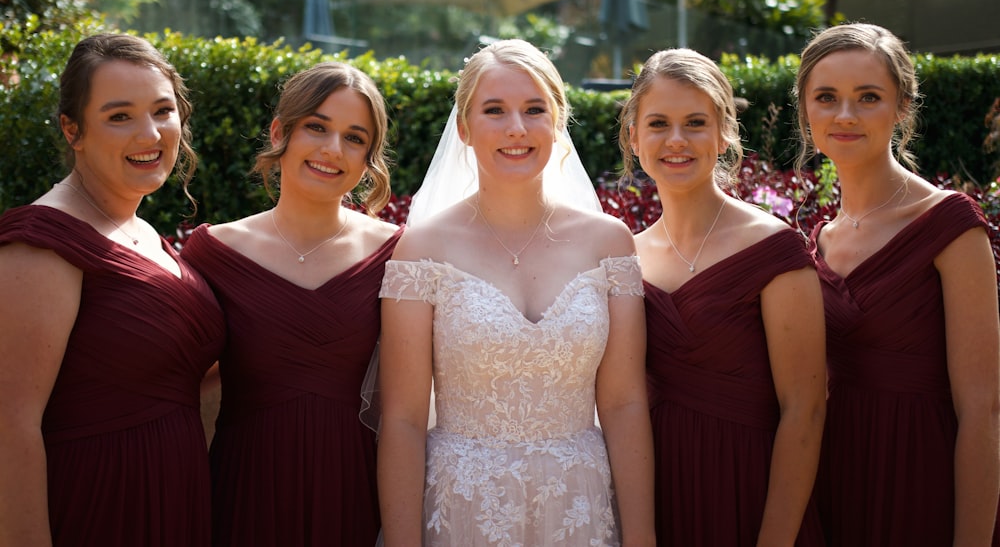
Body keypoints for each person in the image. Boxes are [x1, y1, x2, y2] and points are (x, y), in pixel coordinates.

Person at [377, 39, 655, 547]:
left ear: (558, 121)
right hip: (463, 509)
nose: (517, 129)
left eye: (534, 110)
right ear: (464, 128)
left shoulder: (609, 243)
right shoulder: (422, 249)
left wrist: (641, 537)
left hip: (579, 506)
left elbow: (624, 403)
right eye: (494, 111)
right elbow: (402, 417)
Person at [0, 33, 225, 547]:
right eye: (119, 116)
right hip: (97, 504)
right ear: (72, 130)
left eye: (163, 111)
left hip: (175, 498)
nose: (150, 134)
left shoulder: (145, 233)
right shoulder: (41, 245)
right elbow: (9, 427)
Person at [179, 62, 402, 547]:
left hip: (356, 489)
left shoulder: (398, 253)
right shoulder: (213, 252)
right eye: (317, 127)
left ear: (369, 159)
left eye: (354, 138)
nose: (332, 150)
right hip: (244, 488)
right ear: (281, 131)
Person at [794, 22, 1000, 546]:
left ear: (902, 106)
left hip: (921, 473)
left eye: (868, 97)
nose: (845, 115)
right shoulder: (821, 238)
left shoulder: (950, 225)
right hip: (836, 474)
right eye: (827, 98)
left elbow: (984, 409)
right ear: (806, 111)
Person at [619, 48, 827, 546]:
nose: (676, 141)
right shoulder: (626, 254)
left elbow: (806, 408)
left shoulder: (773, 247)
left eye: (695, 122)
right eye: (658, 124)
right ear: (634, 137)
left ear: (723, 133)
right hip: (657, 494)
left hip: (749, 489)